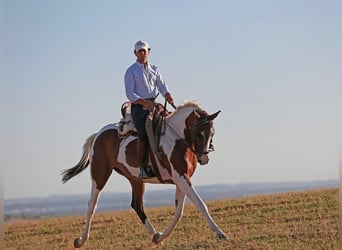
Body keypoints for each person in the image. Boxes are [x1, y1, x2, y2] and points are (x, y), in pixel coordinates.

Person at [124, 40, 174, 179]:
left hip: (154, 104)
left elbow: (162, 85)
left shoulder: (154, 69)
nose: (142, 53)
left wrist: (167, 95)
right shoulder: (130, 71)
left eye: (144, 51)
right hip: (139, 107)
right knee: (144, 132)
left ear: (149, 52)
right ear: (135, 53)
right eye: (139, 51)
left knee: (169, 123)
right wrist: (144, 103)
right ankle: (143, 167)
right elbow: (130, 93)